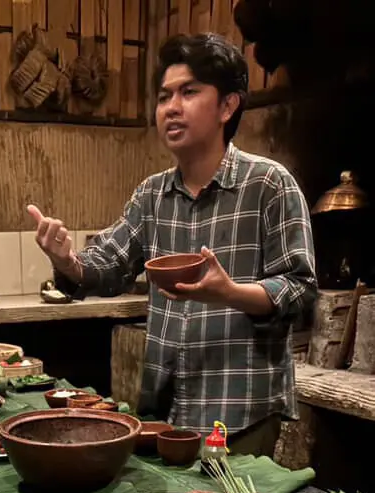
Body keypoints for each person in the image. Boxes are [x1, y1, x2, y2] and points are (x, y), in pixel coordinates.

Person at [28, 32, 317, 457]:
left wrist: (231, 294)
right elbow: (108, 266)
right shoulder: (152, 194)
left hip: (239, 412)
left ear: (228, 105)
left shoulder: (269, 184)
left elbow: (301, 289)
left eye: (189, 92)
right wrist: (67, 261)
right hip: (163, 409)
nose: (171, 108)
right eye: (164, 97)